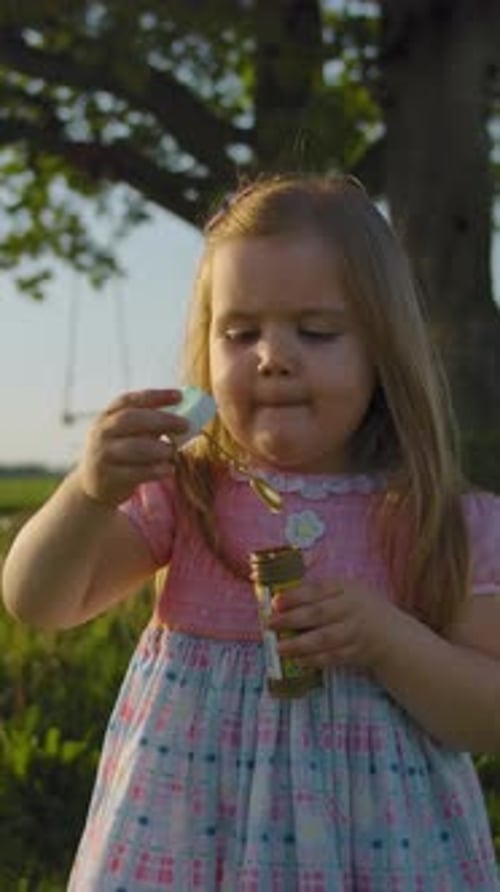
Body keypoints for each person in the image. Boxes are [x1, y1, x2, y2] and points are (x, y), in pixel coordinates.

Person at [3, 173, 500, 891]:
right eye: (240, 334)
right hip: (185, 843)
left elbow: (488, 718)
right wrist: (87, 493)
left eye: (316, 331)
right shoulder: (188, 494)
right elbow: (39, 602)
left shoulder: (436, 517)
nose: (272, 356)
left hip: (375, 856)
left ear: (383, 351)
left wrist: (390, 642)